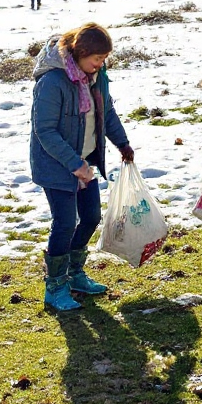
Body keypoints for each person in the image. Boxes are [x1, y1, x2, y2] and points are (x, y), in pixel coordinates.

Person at [29, 22, 134, 311]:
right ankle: (55, 286)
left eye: (104, 58)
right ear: (81, 52)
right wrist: (75, 165)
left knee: (89, 217)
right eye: (97, 58)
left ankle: (75, 274)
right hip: (57, 165)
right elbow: (45, 130)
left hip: (84, 161)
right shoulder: (52, 82)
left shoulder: (95, 77)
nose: (102, 64)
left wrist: (122, 143)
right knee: (64, 223)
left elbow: (106, 113)